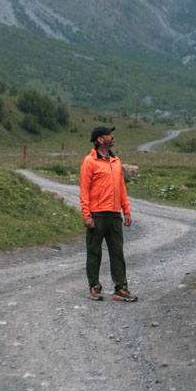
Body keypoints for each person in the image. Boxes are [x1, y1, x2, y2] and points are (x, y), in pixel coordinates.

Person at [81, 125, 136, 301]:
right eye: (109, 135)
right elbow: (84, 190)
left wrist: (126, 211)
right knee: (94, 251)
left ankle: (120, 289)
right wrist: (87, 215)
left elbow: (121, 187)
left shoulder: (116, 161)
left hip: (114, 215)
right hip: (97, 214)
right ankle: (94, 287)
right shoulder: (89, 161)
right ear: (100, 139)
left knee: (117, 252)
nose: (112, 137)